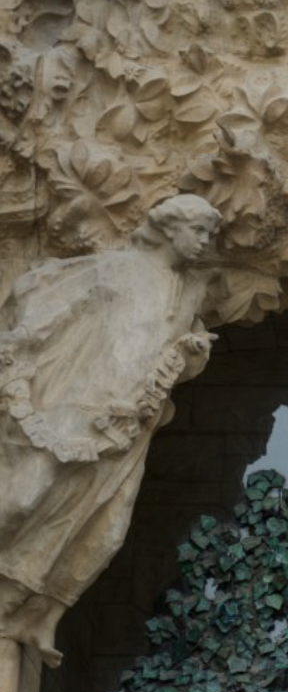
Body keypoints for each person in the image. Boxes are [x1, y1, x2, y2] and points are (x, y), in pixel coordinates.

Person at [0, 194, 222, 665]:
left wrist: (191, 357)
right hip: (73, 408)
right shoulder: (111, 269)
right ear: (169, 227)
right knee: (22, 498)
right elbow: (51, 311)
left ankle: (39, 615)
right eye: (199, 230)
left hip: (126, 427)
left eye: (210, 234)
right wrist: (19, 344)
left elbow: (170, 357)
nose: (205, 242)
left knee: (107, 529)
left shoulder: (190, 291)